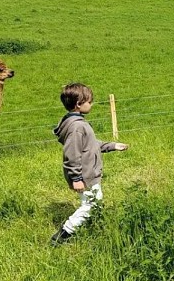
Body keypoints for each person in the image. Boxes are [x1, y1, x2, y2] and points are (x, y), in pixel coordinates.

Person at [50, 83, 128, 245]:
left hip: (88, 172)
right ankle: (63, 234)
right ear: (79, 104)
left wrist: (112, 146)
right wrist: (76, 178)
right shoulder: (77, 127)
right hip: (84, 175)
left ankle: (96, 226)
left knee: (95, 202)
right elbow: (71, 155)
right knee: (91, 204)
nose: (91, 104)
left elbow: (90, 144)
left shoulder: (76, 123)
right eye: (89, 102)